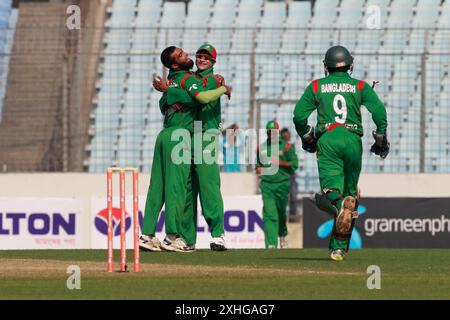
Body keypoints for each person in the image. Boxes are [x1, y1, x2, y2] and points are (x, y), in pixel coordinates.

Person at [293, 45, 389, 261]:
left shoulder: (316, 86)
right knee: (351, 195)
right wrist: (381, 134)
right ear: (350, 65)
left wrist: (305, 134)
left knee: (331, 192)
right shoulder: (360, 86)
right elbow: (379, 111)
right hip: (353, 140)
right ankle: (338, 248)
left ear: (326, 66)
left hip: (328, 140)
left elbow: (299, 116)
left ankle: (338, 207)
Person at [139, 46, 231, 252]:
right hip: (185, 136)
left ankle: (218, 235)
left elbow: (202, 96)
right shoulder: (189, 78)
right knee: (186, 188)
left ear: (214, 61)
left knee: (208, 186)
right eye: (199, 56)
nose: (201, 59)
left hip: (205, 134)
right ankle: (186, 239)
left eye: (207, 57)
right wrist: (172, 97)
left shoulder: (211, 79)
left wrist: (172, 93)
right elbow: (164, 104)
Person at [256, 120, 299, 249]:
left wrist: (279, 162)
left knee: (281, 213)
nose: (271, 135)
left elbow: (294, 165)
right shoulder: (262, 147)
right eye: (269, 133)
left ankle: (282, 234)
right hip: (267, 185)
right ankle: (271, 244)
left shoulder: (287, 147)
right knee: (270, 214)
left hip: (282, 184)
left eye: (273, 132)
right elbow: (257, 165)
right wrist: (258, 169)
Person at [280, 128, 299, 222]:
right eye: (284, 136)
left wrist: (281, 163)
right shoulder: (278, 147)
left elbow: (293, 163)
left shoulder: (290, 147)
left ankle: (292, 216)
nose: (286, 138)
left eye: (287, 136)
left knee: (293, 196)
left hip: (290, 175)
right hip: (281, 176)